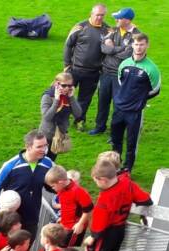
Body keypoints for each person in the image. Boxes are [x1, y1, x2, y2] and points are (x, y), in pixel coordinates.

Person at [111, 33, 160, 172]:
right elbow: (121, 81)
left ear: (147, 45)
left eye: (142, 44)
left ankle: (127, 169)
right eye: (136, 44)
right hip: (119, 108)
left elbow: (156, 89)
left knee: (132, 143)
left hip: (135, 112)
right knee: (116, 140)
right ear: (132, 44)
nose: (138, 48)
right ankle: (114, 166)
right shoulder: (124, 64)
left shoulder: (151, 68)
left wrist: (140, 100)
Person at [0, 130, 53, 237]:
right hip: (10, 221)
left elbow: (53, 186)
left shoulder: (48, 163)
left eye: (45, 145)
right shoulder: (11, 165)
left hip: (32, 219)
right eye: (39, 147)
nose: (44, 150)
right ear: (28, 147)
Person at [90, 8, 141, 136]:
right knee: (103, 101)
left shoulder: (136, 35)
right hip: (106, 72)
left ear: (127, 20)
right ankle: (99, 127)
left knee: (119, 105)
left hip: (121, 75)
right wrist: (118, 49)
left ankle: (115, 132)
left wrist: (112, 48)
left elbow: (127, 54)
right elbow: (103, 48)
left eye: (119, 18)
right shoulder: (113, 30)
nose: (116, 20)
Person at [63, 4, 108, 132]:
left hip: (93, 72)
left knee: (85, 99)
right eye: (97, 14)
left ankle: (79, 120)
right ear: (91, 14)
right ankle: (61, 118)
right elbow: (68, 45)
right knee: (65, 95)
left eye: (102, 15)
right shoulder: (80, 27)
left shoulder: (107, 30)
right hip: (75, 70)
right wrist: (67, 65)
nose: (99, 17)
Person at [40, 72, 82, 161]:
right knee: (41, 160)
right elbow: (47, 117)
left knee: (51, 160)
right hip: (47, 134)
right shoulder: (48, 96)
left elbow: (78, 114)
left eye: (70, 85)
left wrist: (71, 97)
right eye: (64, 85)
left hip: (60, 134)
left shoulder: (69, 96)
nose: (67, 88)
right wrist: (56, 100)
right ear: (56, 84)